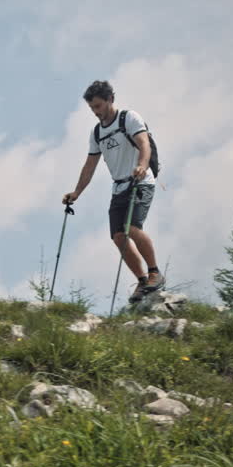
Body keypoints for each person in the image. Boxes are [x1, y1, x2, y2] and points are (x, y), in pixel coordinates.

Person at [62, 80, 164, 303]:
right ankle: (142, 280)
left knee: (132, 228)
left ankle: (155, 272)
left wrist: (142, 165)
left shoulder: (129, 118)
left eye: (98, 106)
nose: (96, 112)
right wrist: (77, 192)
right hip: (119, 187)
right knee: (118, 237)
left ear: (110, 100)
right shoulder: (97, 133)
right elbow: (90, 165)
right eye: (92, 108)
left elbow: (144, 144)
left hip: (141, 180)